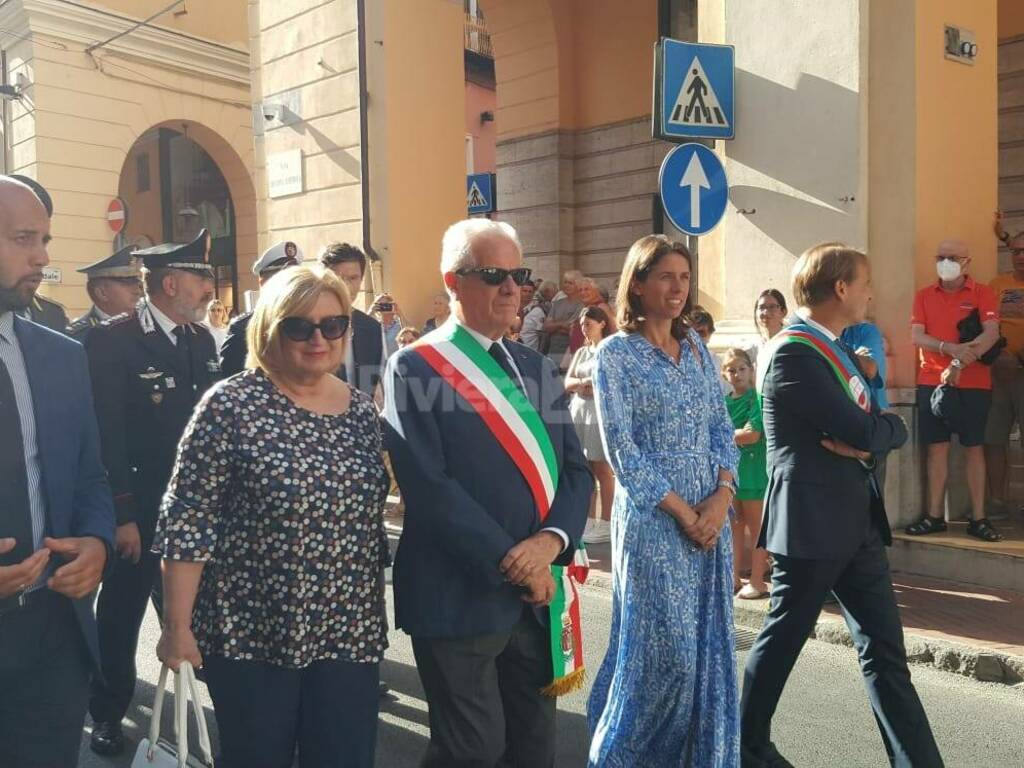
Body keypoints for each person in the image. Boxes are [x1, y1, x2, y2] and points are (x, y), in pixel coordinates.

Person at [155, 265, 388, 768]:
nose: (319, 338)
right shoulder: (230, 405)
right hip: (250, 634)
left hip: (348, 632)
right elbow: (188, 519)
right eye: (299, 326)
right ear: (269, 329)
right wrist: (177, 627)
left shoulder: (363, 413)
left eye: (333, 324)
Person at [383, 218, 591, 767]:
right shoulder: (416, 367)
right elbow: (430, 488)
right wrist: (515, 561)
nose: (510, 288)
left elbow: (576, 471)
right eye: (492, 274)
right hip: (461, 593)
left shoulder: (535, 365)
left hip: (538, 594)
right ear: (453, 282)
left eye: (518, 274)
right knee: (470, 752)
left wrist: (549, 544)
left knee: (532, 748)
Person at [741, 242, 942, 768]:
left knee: (885, 653)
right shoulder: (793, 351)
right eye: (866, 282)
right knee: (784, 638)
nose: (873, 292)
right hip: (810, 524)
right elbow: (861, 425)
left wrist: (883, 431)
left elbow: (876, 425)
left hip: (857, 522)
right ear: (841, 288)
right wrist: (879, 431)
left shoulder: (834, 349)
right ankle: (747, 745)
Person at [587, 235, 741, 767]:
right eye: (665, 277)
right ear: (638, 283)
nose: (678, 288)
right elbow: (622, 452)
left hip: (711, 521)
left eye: (684, 277)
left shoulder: (698, 348)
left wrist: (721, 498)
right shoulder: (615, 354)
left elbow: (722, 428)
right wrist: (683, 511)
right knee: (663, 655)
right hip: (655, 522)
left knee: (707, 649)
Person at [84, 228, 222, 756]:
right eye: (201, 278)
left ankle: (202, 704)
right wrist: (122, 516)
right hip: (138, 510)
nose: (209, 288)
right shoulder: (112, 340)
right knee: (119, 616)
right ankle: (108, 710)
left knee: (188, 613)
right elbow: (107, 436)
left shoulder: (199, 339)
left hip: (188, 511)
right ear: (170, 282)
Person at [0, 175, 115, 768]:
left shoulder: (62, 355)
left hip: (54, 635)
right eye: (24, 239)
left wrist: (96, 540)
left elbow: (89, 476)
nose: (43, 257)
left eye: (44, 239)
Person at [906, 239, 1003, 542]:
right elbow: (917, 335)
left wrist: (960, 361)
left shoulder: (982, 293)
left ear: (966, 262)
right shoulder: (923, 295)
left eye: (952, 257)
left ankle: (979, 517)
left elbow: (991, 334)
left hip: (973, 384)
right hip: (931, 381)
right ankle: (934, 516)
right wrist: (948, 348)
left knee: (974, 449)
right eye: (940, 257)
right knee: (936, 450)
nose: (945, 262)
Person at [564, 306, 615, 545]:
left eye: (589, 323)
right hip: (580, 410)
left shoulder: (609, 350)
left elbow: (610, 381)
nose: (585, 328)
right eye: (582, 324)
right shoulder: (583, 351)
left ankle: (606, 521)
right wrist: (582, 382)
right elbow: (568, 380)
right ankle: (587, 518)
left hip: (599, 411)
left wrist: (590, 385)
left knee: (601, 467)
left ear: (602, 323)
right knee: (584, 467)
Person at [722, 348, 770, 599]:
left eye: (742, 369)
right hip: (730, 474)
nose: (737, 374)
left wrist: (724, 438)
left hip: (753, 473)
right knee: (733, 526)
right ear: (724, 374)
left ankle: (758, 580)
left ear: (751, 371)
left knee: (757, 527)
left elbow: (752, 434)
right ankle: (733, 577)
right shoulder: (724, 402)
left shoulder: (757, 400)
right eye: (731, 370)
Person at [984, 226, 1024, 517]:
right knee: (993, 438)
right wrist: (997, 356)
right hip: (996, 375)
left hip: (1020, 371)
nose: (1021, 257)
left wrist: (1018, 359)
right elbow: (983, 324)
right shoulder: (996, 284)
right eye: (1016, 251)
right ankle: (997, 502)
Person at [220, 240, 303, 376]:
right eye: (282, 279)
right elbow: (230, 382)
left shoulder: (311, 323)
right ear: (263, 282)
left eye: (295, 279)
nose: (291, 285)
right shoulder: (243, 328)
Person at [319, 242, 385, 395]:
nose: (346, 285)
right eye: (339, 278)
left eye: (353, 278)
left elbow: (373, 388)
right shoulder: (309, 325)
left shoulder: (371, 328)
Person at [841, 319, 890, 488]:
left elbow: (870, 369)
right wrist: (855, 357)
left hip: (871, 422)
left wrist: (836, 351)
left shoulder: (867, 331)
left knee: (873, 494)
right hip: (838, 422)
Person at [66, 245, 145, 343]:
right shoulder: (79, 337)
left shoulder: (147, 327)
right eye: (127, 282)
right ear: (102, 293)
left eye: (137, 282)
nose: (137, 290)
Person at [543, 269, 584, 370]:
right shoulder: (557, 303)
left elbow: (573, 328)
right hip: (553, 351)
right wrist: (562, 325)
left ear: (578, 285)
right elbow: (546, 327)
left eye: (570, 283)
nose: (566, 285)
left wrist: (555, 325)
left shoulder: (582, 304)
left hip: (570, 352)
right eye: (565, 282)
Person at [568, 277, 616, 356]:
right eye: (580, 290)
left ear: (596, 291)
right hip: (581, 354)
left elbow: (614, 329)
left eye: (587, 289)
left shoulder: (601, 306)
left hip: (595, 354)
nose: (583, 292)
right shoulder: (585, 308)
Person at [519, 279, 556, 351]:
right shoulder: (513, 308)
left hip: (530, 350)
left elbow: (543, 336)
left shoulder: (538, 310)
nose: (527, 294)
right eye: (525, 291)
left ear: (533, 293)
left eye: (530, 292)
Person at [372, 292, 404, 358]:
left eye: (387, 304)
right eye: (381, 305)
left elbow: (410, 332)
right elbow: (360, 330)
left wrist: (400, 314)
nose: (384, 307)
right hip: (378, 365)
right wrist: (370, 312)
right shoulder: (374, 326)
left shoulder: (399, 324)